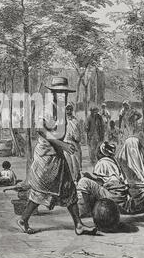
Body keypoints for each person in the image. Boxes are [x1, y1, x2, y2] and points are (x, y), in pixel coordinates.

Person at [17, 77, 97, 236]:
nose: (64, 96)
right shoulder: (47, 108)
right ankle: (24, 219)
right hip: (46, 157)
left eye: (65, 93)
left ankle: (79, 225)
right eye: (60, 93)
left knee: (69, 190)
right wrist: (63, 145)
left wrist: (67, 145)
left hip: (58, 156)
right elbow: (40, 129)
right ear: (53, 93)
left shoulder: (61, 110)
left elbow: (60, 134)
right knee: (41, 191)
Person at [77, 142, 133, 216]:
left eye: (98, 152)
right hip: (121, 197)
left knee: (83, 182)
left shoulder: (102, 162)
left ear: (101, 153)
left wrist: (88, 176)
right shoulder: (114, 162)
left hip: (112, 196)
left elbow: (100, 181)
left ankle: (85, 211)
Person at [64, 103, 82, 182]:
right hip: (65, 144)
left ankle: (76, 179)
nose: (69, 111)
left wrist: (75, 138)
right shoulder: (63, 121)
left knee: (75, 163)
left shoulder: (75, 121)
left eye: (70, 109)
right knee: (68, 164)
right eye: (67, 109)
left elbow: (78, 136)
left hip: (73, 144)